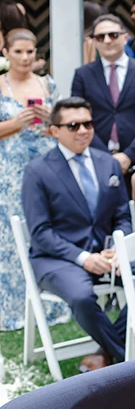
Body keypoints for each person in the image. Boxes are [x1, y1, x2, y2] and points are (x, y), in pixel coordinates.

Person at [21, 97, 132, 371]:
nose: (83, 130)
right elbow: (40, 233)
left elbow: (123, 217)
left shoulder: (109, 164)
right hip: (55, 259)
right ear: (54, 130)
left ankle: (104, 352)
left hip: (106, 255)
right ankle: (128, 359)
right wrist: (83, 258)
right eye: (73, 125)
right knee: (82, 297)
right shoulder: (37, 171)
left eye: (88, 123)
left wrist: (118, 247)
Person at [0, 28, 69, 330]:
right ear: (6, 53)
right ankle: (11, 310)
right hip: (9, 172)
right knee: (9, 240)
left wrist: (50, 119)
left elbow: (62, 127)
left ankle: (50, 304)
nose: (25, 57)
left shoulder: (47, 84)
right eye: (19, 52)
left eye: (30, 52)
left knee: (43, 229)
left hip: (44, 168)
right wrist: (14, 123)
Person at [71, 13, 135, 173]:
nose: (107, 40)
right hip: (95, 159)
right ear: (93, 41)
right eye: (100, 37)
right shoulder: (83, 75)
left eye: (113, 35)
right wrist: (105, 157)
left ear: (125, 38)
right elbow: (77, 117)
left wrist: (129, 155)